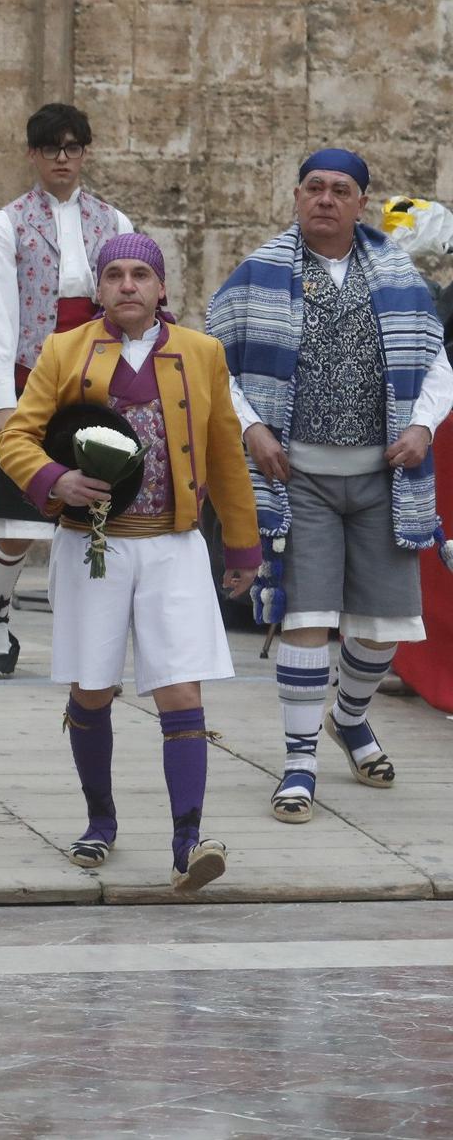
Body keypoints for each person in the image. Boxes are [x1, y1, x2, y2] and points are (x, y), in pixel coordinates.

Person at [0, 234, 259, 893]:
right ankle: (100, 820)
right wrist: (56, 479)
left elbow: (226, 451)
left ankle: (188, 839)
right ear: (101, 287)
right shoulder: (64, 350)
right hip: (94, 546)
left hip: (174, 545)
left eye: (141, 273)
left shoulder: (202, 354)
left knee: (181, 686)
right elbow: (16, 437)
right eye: (114, 274)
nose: (127, 285)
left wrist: (243, 544)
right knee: (92, 686)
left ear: (161, 286)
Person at [207, 148, 453, 824]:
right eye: (313, 187)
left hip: (385, 475)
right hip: (299, 479)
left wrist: (425, 427)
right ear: (296, 195)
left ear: (360, 203)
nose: (324, 199)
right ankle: (298, 760)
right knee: (307, 617)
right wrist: (252, 426)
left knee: (381, 629)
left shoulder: (401, 277)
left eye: (339, 190)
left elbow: (438, 366)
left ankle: (349, 717)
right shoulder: (259, 271)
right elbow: (212, 362)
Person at [0, 102, 136, 679]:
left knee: (97, 505)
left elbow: (130, 301)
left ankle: (92, 628)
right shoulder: (4, 225)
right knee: (19, 522)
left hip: (95, 373)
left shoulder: (115, 222)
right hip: (31, 374)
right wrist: (1, 399)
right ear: (32, 155)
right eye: (50, 149)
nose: (61, 159)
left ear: (85, 152)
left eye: (71, 148)